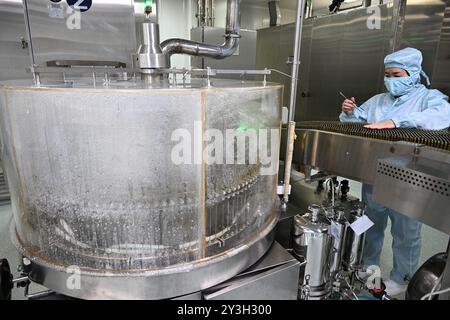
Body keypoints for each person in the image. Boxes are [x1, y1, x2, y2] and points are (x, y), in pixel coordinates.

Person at [339, 47, 450, 296]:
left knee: (405, 232)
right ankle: (368, 266)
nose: (390, 80)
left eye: (397, 74)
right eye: (387, 74)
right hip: (375, 175)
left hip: (409, 179)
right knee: (371, 224)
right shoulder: (379, 100)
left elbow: (443, 115)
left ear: (413, 74)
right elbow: (362, 121)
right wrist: (350, 112)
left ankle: (402, 276)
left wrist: (398, 122)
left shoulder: (429, 98)